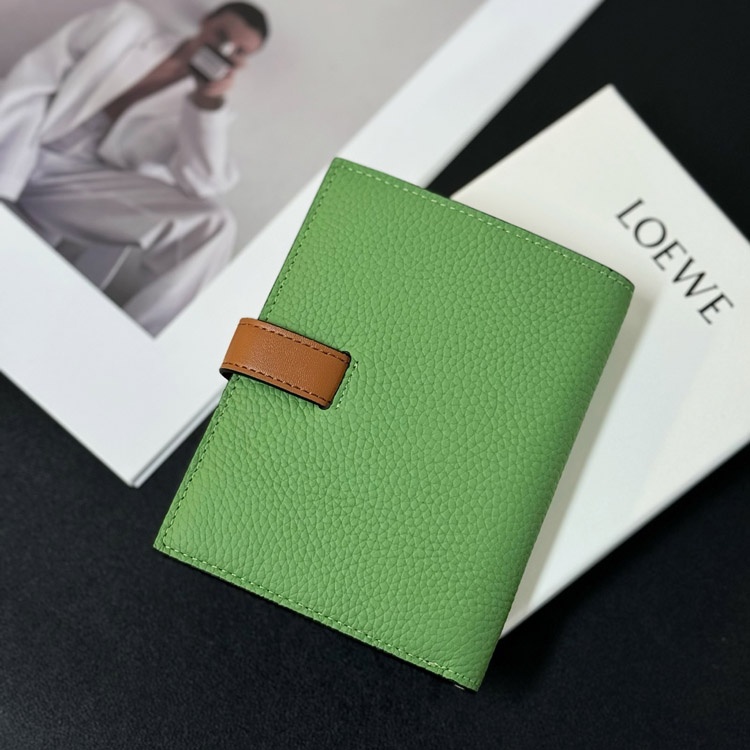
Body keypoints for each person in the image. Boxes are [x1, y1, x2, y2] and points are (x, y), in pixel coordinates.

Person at [0, 2, 269, 335]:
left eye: (238, 51)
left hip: (79, 183)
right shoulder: (126, 24)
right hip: (25, 137)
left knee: (214, 224)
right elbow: (36, 75)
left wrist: (205, 101)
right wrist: (8, 172)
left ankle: (139, 342)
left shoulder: (204, 109)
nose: (223, 49)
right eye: (221, 35)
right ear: (205, 22)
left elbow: (204, 184)